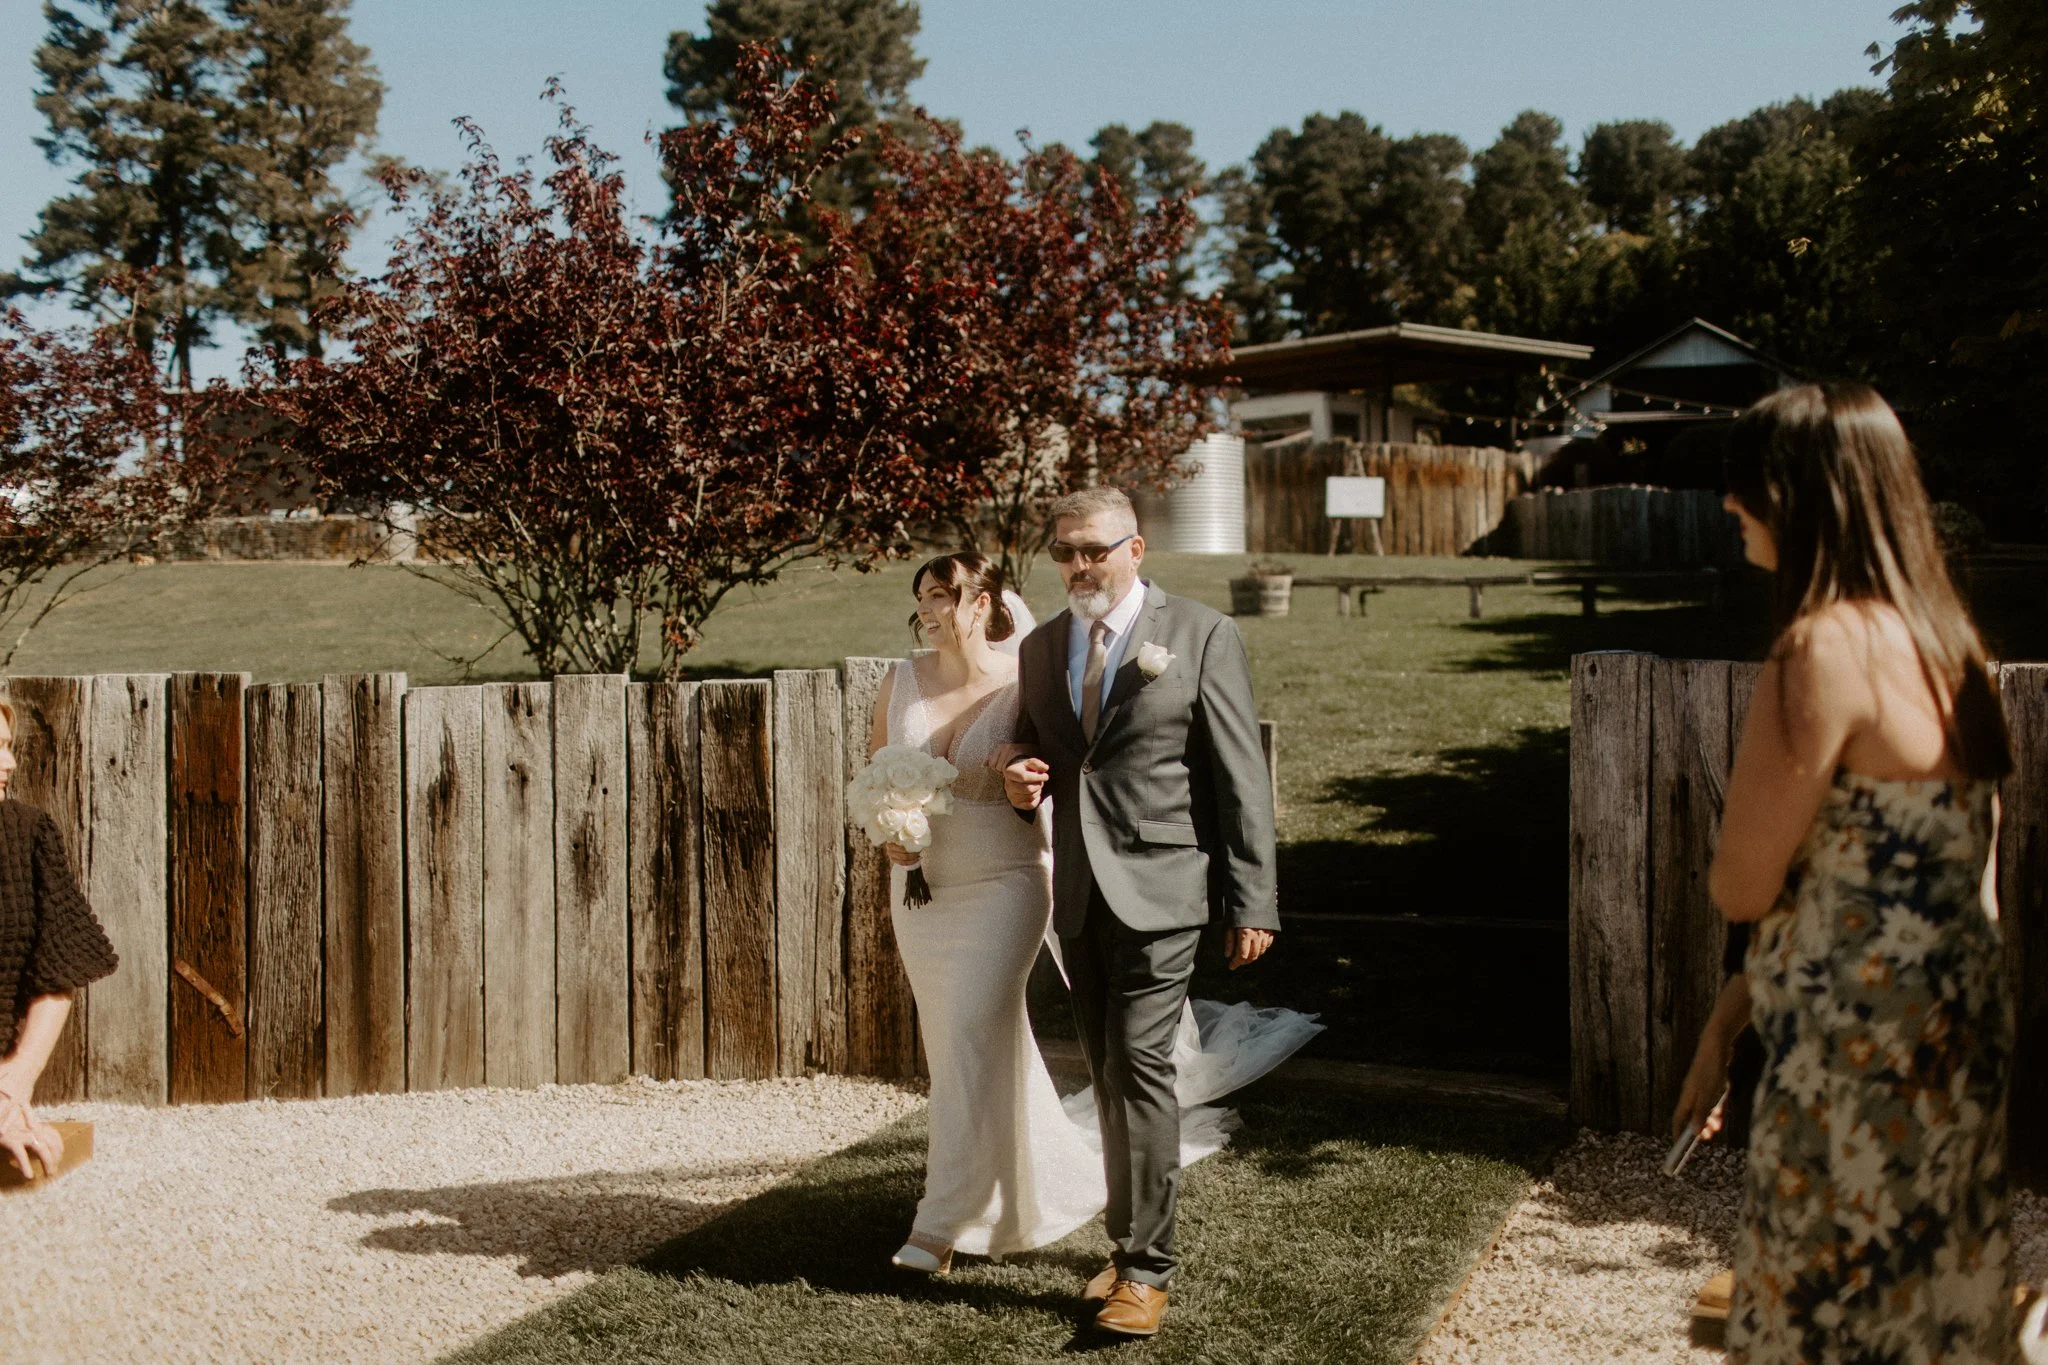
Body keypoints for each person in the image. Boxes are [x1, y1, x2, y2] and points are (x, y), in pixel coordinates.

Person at [873, 548, 1314, 1308]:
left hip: (1006, 881)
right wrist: (888, 827)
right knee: (955, 1042)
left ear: (984, 602)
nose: (931, 609)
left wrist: (1014, 768)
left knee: (974, 1028)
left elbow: (1057, 766)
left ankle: (939, 1221)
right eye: (922, 597)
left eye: (945, 594)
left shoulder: (1027, 671)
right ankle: (1023, 1189)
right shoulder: (899, 678)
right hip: (920, 887)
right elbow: (877, 767)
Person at [1708, 383, 2016, 1364]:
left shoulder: (1815, 652)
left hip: (1850, 1050)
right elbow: (1985, 875)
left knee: (1821, 1308)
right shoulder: (1952, 649)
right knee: (1930, 1306)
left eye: (1744, 485)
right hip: (1952, 1040)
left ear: (1801, 496)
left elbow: (1737, 889)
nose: (1728, 506)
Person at [1003, 487, 1286, 1338]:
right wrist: (1019, 772)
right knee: (1111, 1069)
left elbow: (1240, 779)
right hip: (1079, 894)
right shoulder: (1044, 644)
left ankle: (1145, 1271)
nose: (1078, 566)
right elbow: (1034, 743)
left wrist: (1253, 898)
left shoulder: (1201, 633)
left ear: (1137, 547)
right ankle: (1128, 1243)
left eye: (1094, 549)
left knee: (1139, 1065)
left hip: (1165, 888)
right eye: (1064, 552)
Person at [0, 699, 119, 1180]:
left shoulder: (26, 833)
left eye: (7, 747)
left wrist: (12, 1086)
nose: (8, 763)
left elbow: (58, 974)